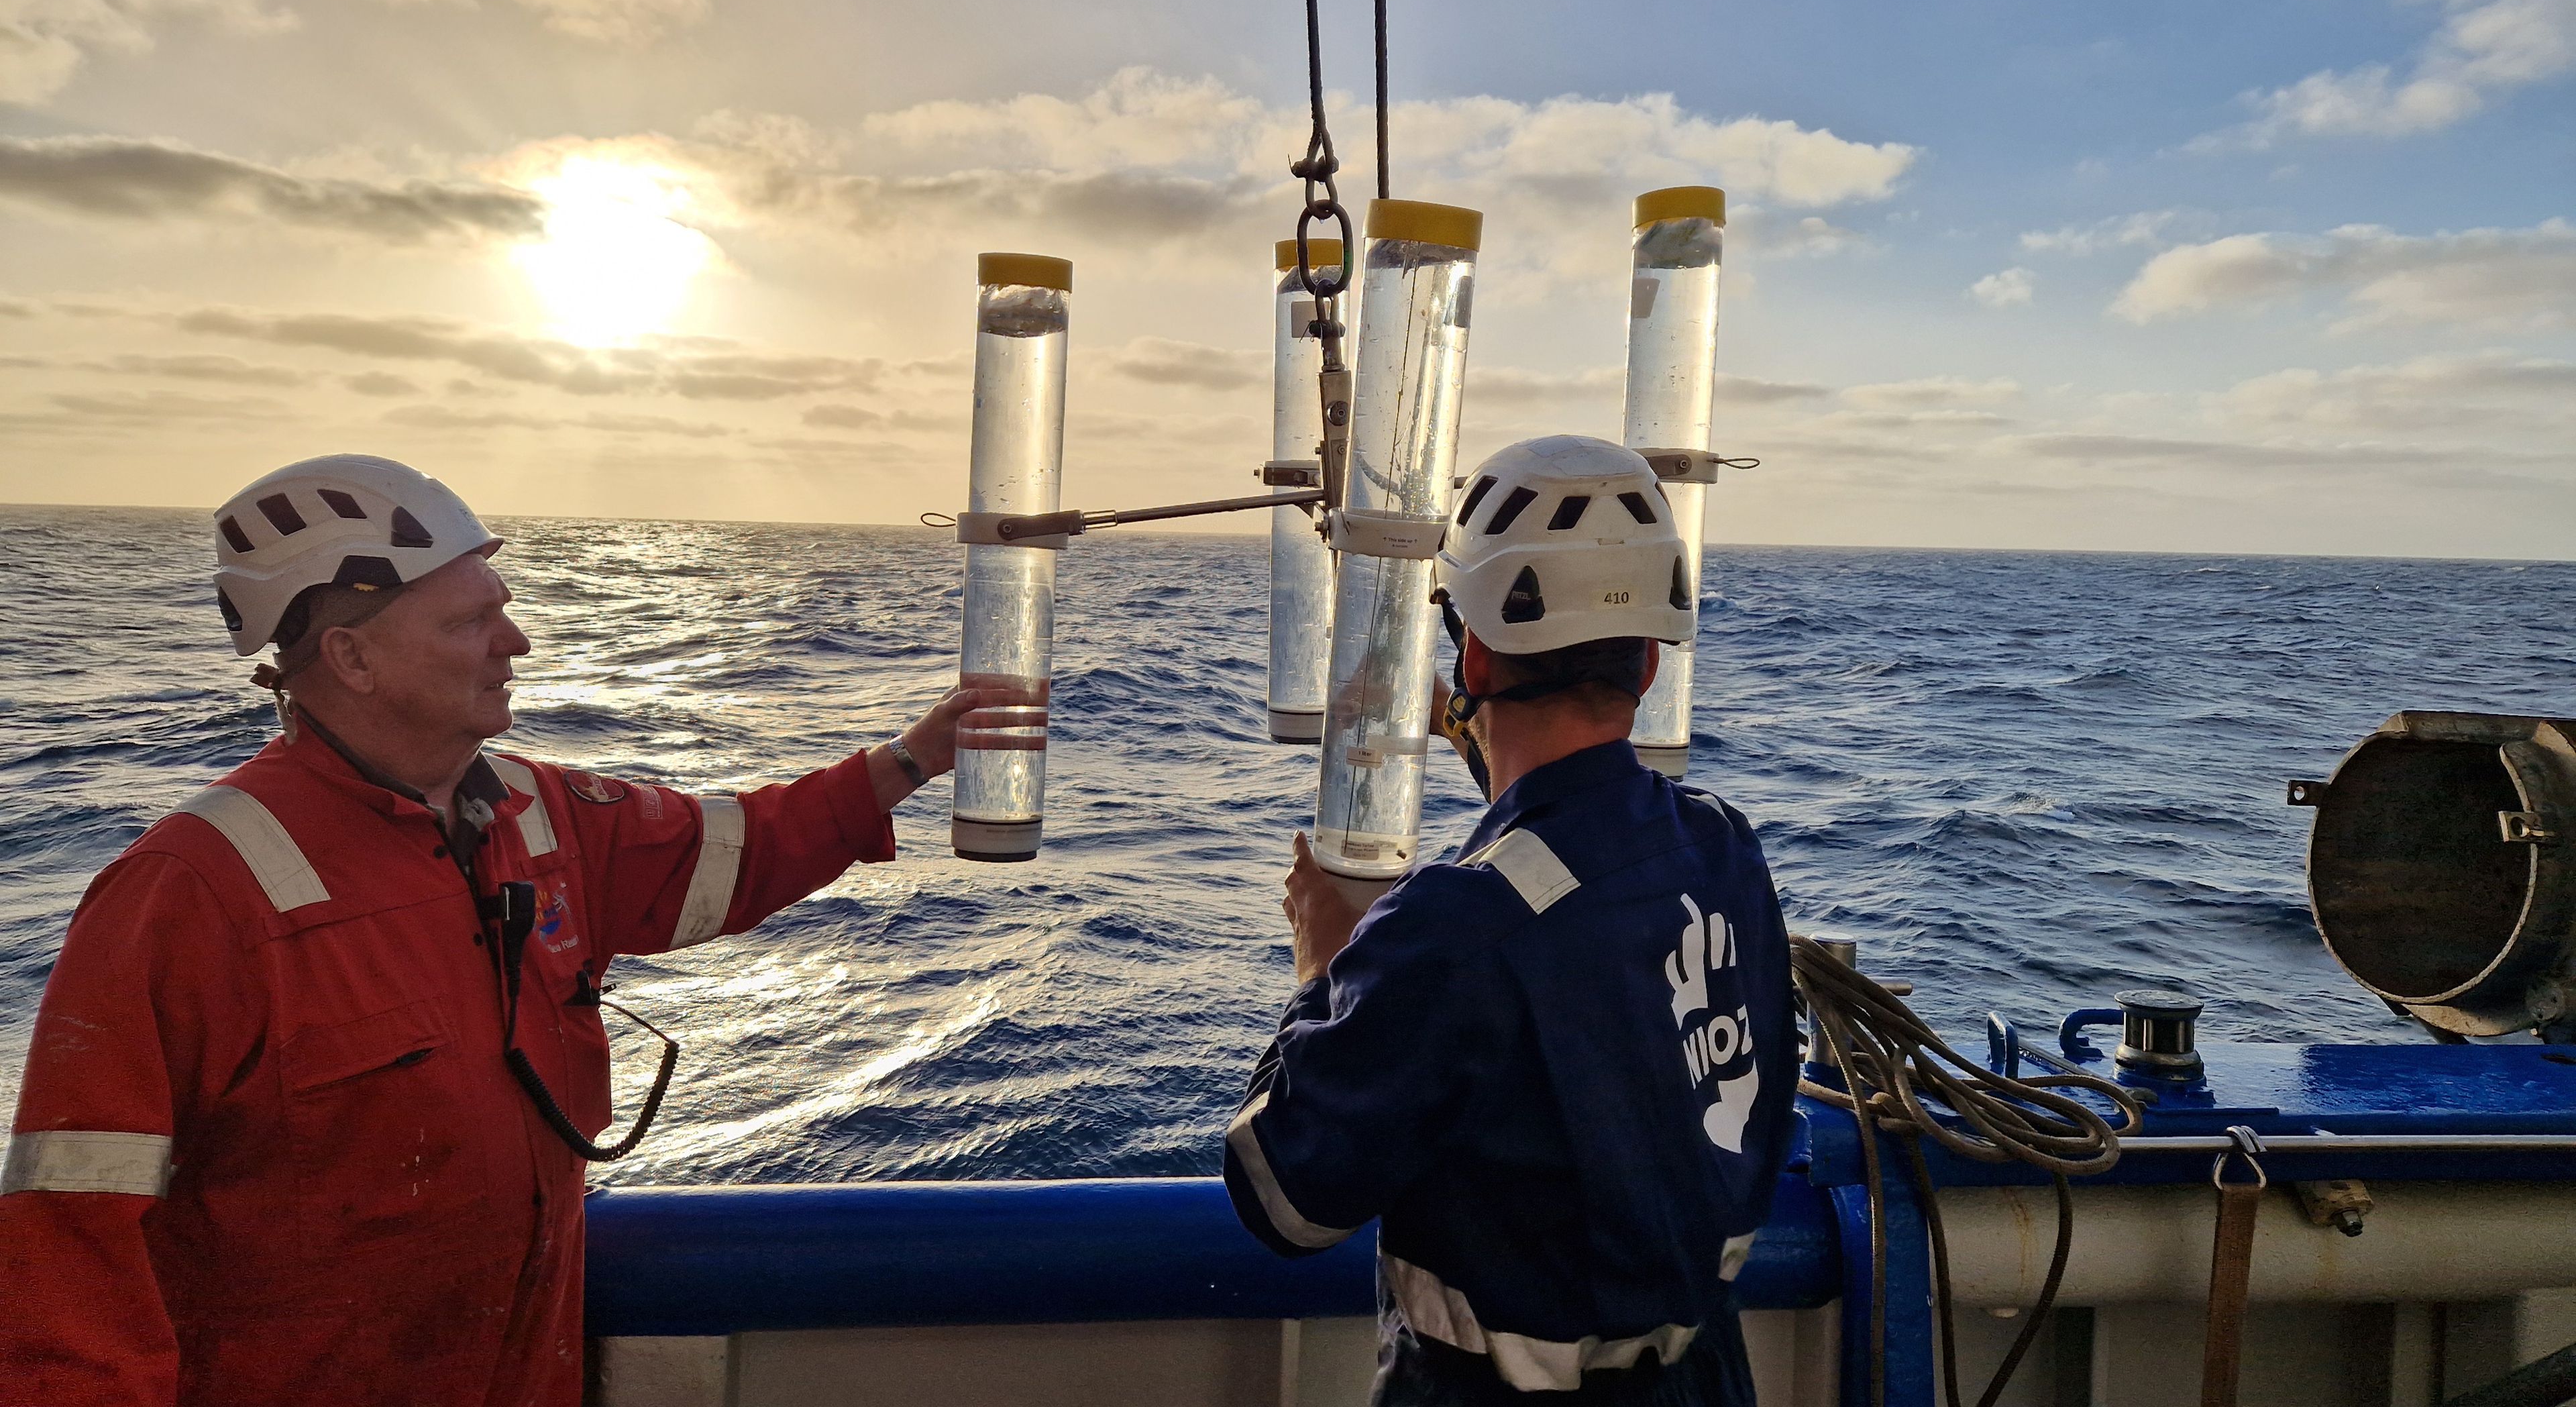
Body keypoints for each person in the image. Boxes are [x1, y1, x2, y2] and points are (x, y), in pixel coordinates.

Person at [0, 455, 981, 1407]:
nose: (514, 643)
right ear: (351, 657)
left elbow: (732, 852)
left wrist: (912, 759)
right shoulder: (191, 892)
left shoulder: (537, 814)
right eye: (473, 619)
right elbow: (70, 1233)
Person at [1223, 435, 1799, 1405]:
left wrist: (1325, 967)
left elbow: (1285, 1202)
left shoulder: (1452, 929)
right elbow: (1575, 852)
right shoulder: (1720, 848)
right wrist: (1461, 717)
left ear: (1478, 650)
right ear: (1650, 664)